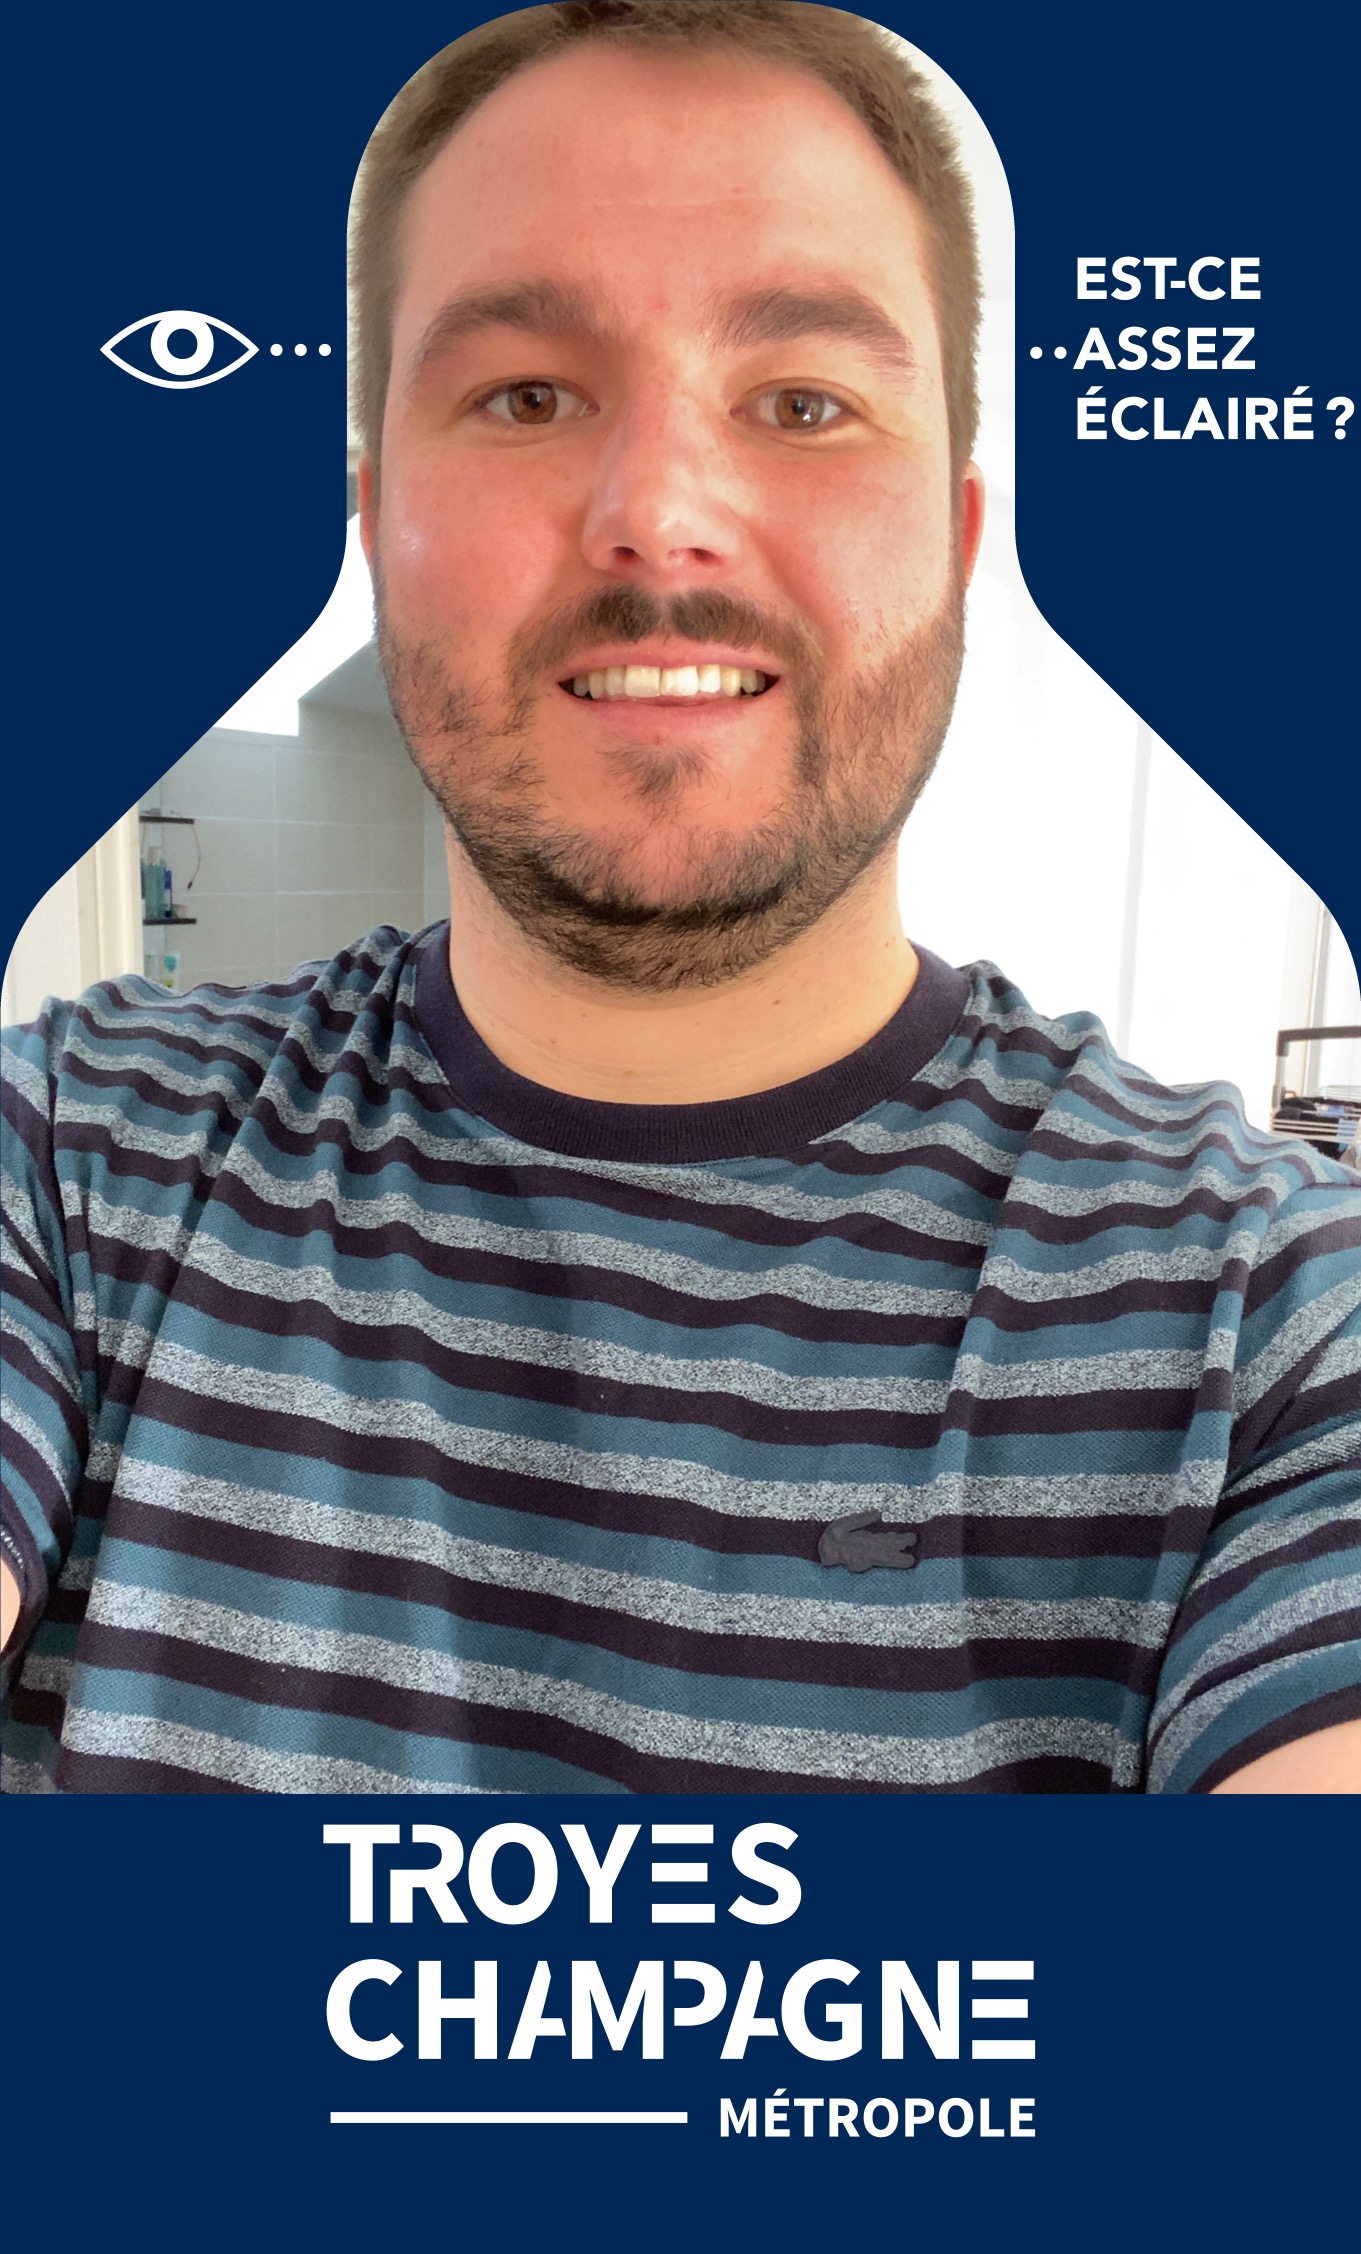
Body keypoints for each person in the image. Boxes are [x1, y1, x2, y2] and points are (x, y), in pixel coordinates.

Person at [3, 1, 1358, 1795]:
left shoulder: (1270, 1322)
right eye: (525, 395)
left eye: (802, 403)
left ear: (957, 544)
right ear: (373, 518)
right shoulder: (71, 1152)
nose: (657, 512)